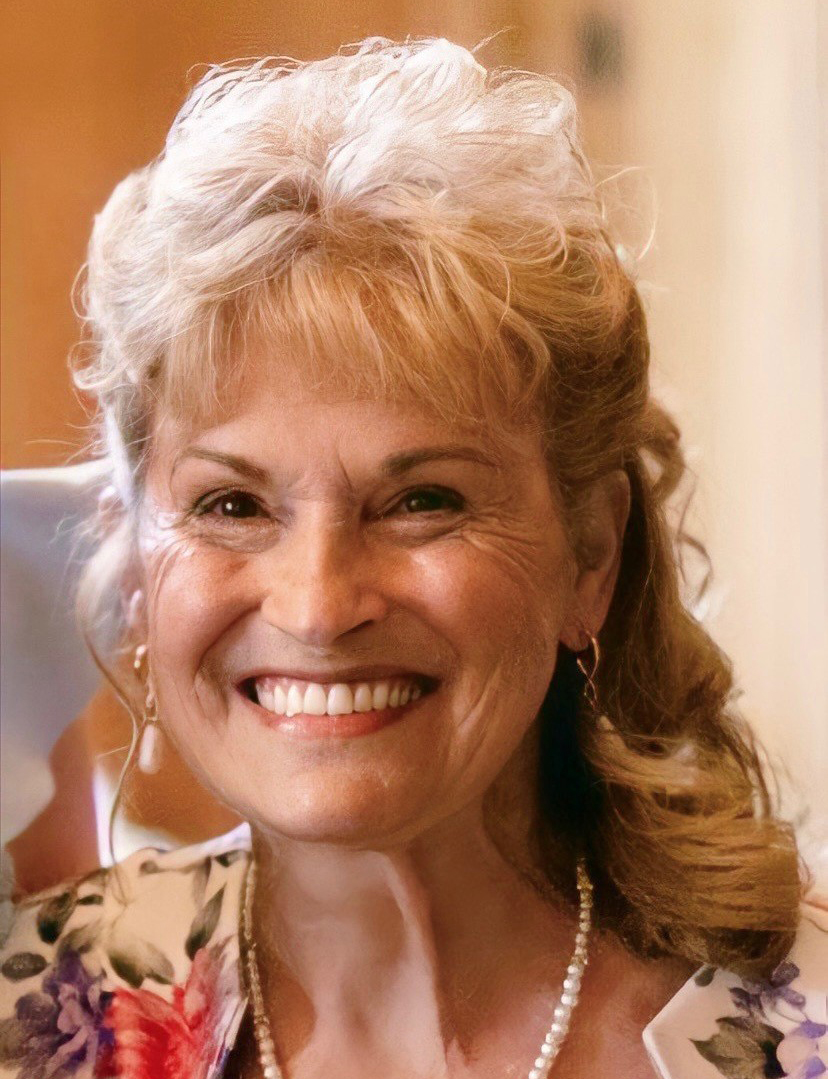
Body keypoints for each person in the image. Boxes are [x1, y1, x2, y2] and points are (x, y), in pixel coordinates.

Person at [0, 37, 823, 1079]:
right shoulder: (34, 1025)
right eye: (232, 504)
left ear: (591, 556)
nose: (317, 603)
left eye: (422, 502)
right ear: (133, 567)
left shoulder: (805, 1026)